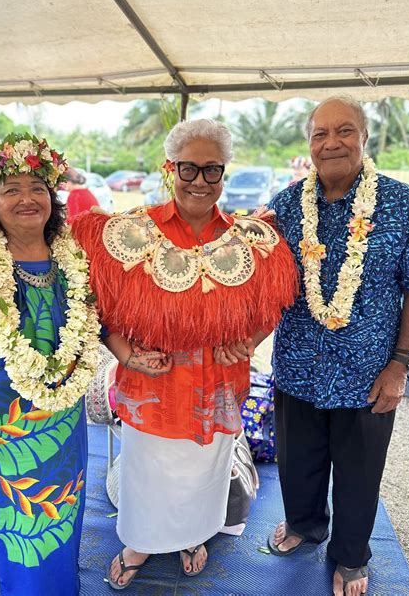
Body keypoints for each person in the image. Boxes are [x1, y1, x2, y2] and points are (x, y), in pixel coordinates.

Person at [71, 119, 298, 589]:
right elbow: (91, 302)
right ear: (169, 168)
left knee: (205, 469)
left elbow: (272, 301)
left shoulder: (251, 241)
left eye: (211, 170)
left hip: (217, 384)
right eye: (188, 168)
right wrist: (123, 352)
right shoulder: (126, 234)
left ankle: (194, 535)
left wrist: (249, 341)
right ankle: (140, 542)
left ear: (223, 173)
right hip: (152, 386)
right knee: (148, 469)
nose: (199, 181)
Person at [267, 96, 409, 596]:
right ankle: (305, 524)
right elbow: (258, 281)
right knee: (298, 462)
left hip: (368, 371)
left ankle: (351, 555)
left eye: (345, 131)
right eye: (320, 134)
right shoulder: (286, 205)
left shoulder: (402, 203)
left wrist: (400, 365)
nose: (332, 142)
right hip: (296, 367)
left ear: (365, 138)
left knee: (359, 473)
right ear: (308, 144)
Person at [0, 133, 104, 595]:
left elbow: (98, 320)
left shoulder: (72, 259)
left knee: (65, 512)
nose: (27, 198)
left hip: (66, 419)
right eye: (10, 189)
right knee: (23, 529)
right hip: (5, 427)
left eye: (37, 187)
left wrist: (135, 357)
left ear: (52, 198)